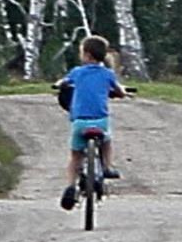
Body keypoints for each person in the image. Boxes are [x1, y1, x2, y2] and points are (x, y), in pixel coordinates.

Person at [53, 34, 132, 210]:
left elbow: (63, 83)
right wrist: (123, 93)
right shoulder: (107, 74)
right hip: (100, 120)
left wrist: (59, 85)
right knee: (107, 141)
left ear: (86, 55)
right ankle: (107, 167)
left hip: (80, 122)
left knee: (76, 156)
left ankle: (70, 186)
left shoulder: (77, 72)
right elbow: (119, 90)